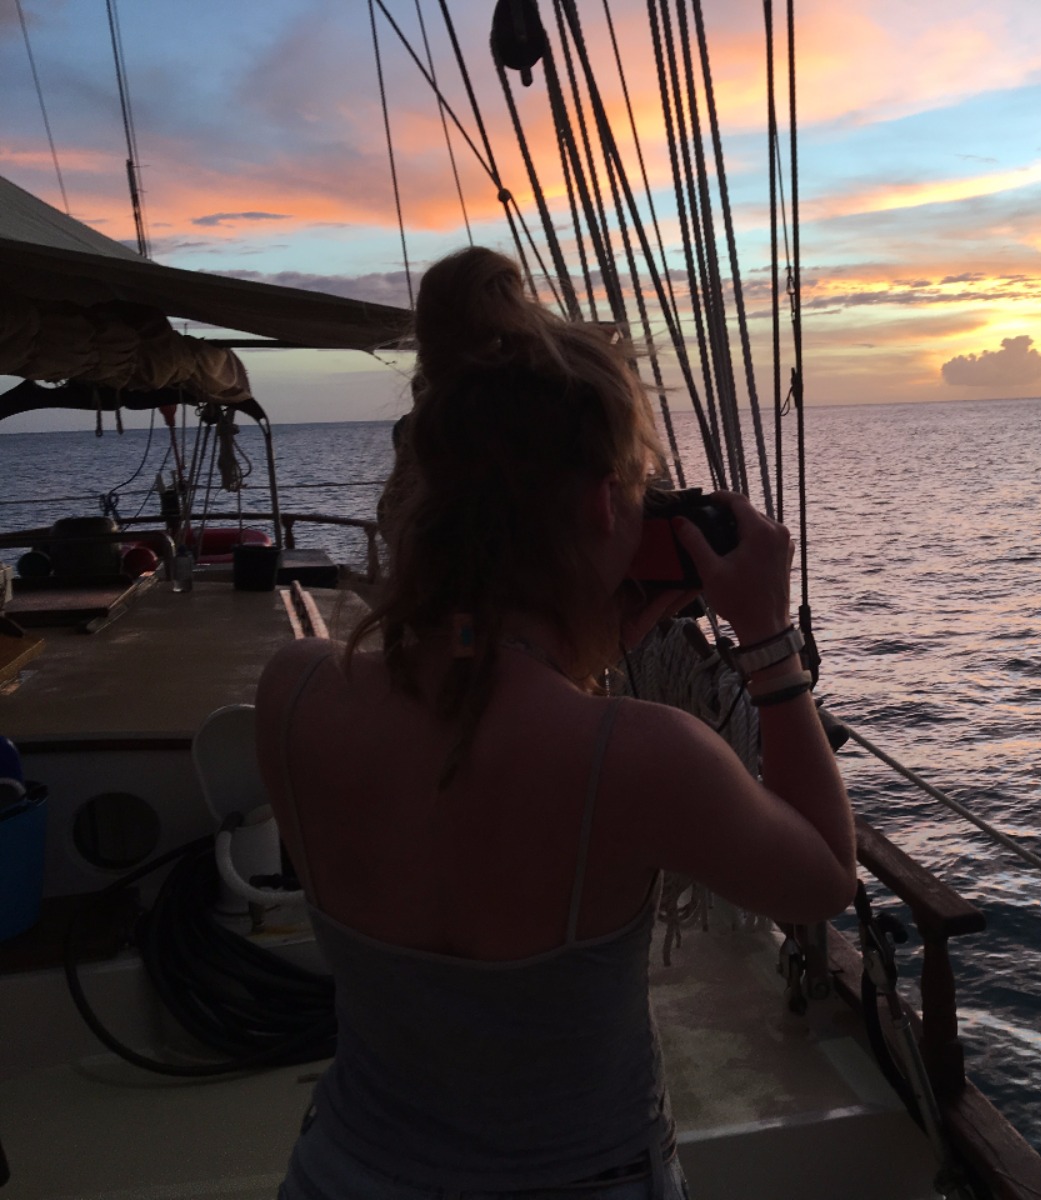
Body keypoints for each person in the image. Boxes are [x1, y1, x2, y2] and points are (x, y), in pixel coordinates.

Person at [255, 246, 856, 1200]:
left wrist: (584, 637)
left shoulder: (292, 693)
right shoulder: (637, 757)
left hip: (340, 1174)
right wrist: (770, 645)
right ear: (599, 503)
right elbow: (821, 879)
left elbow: (471, 693)